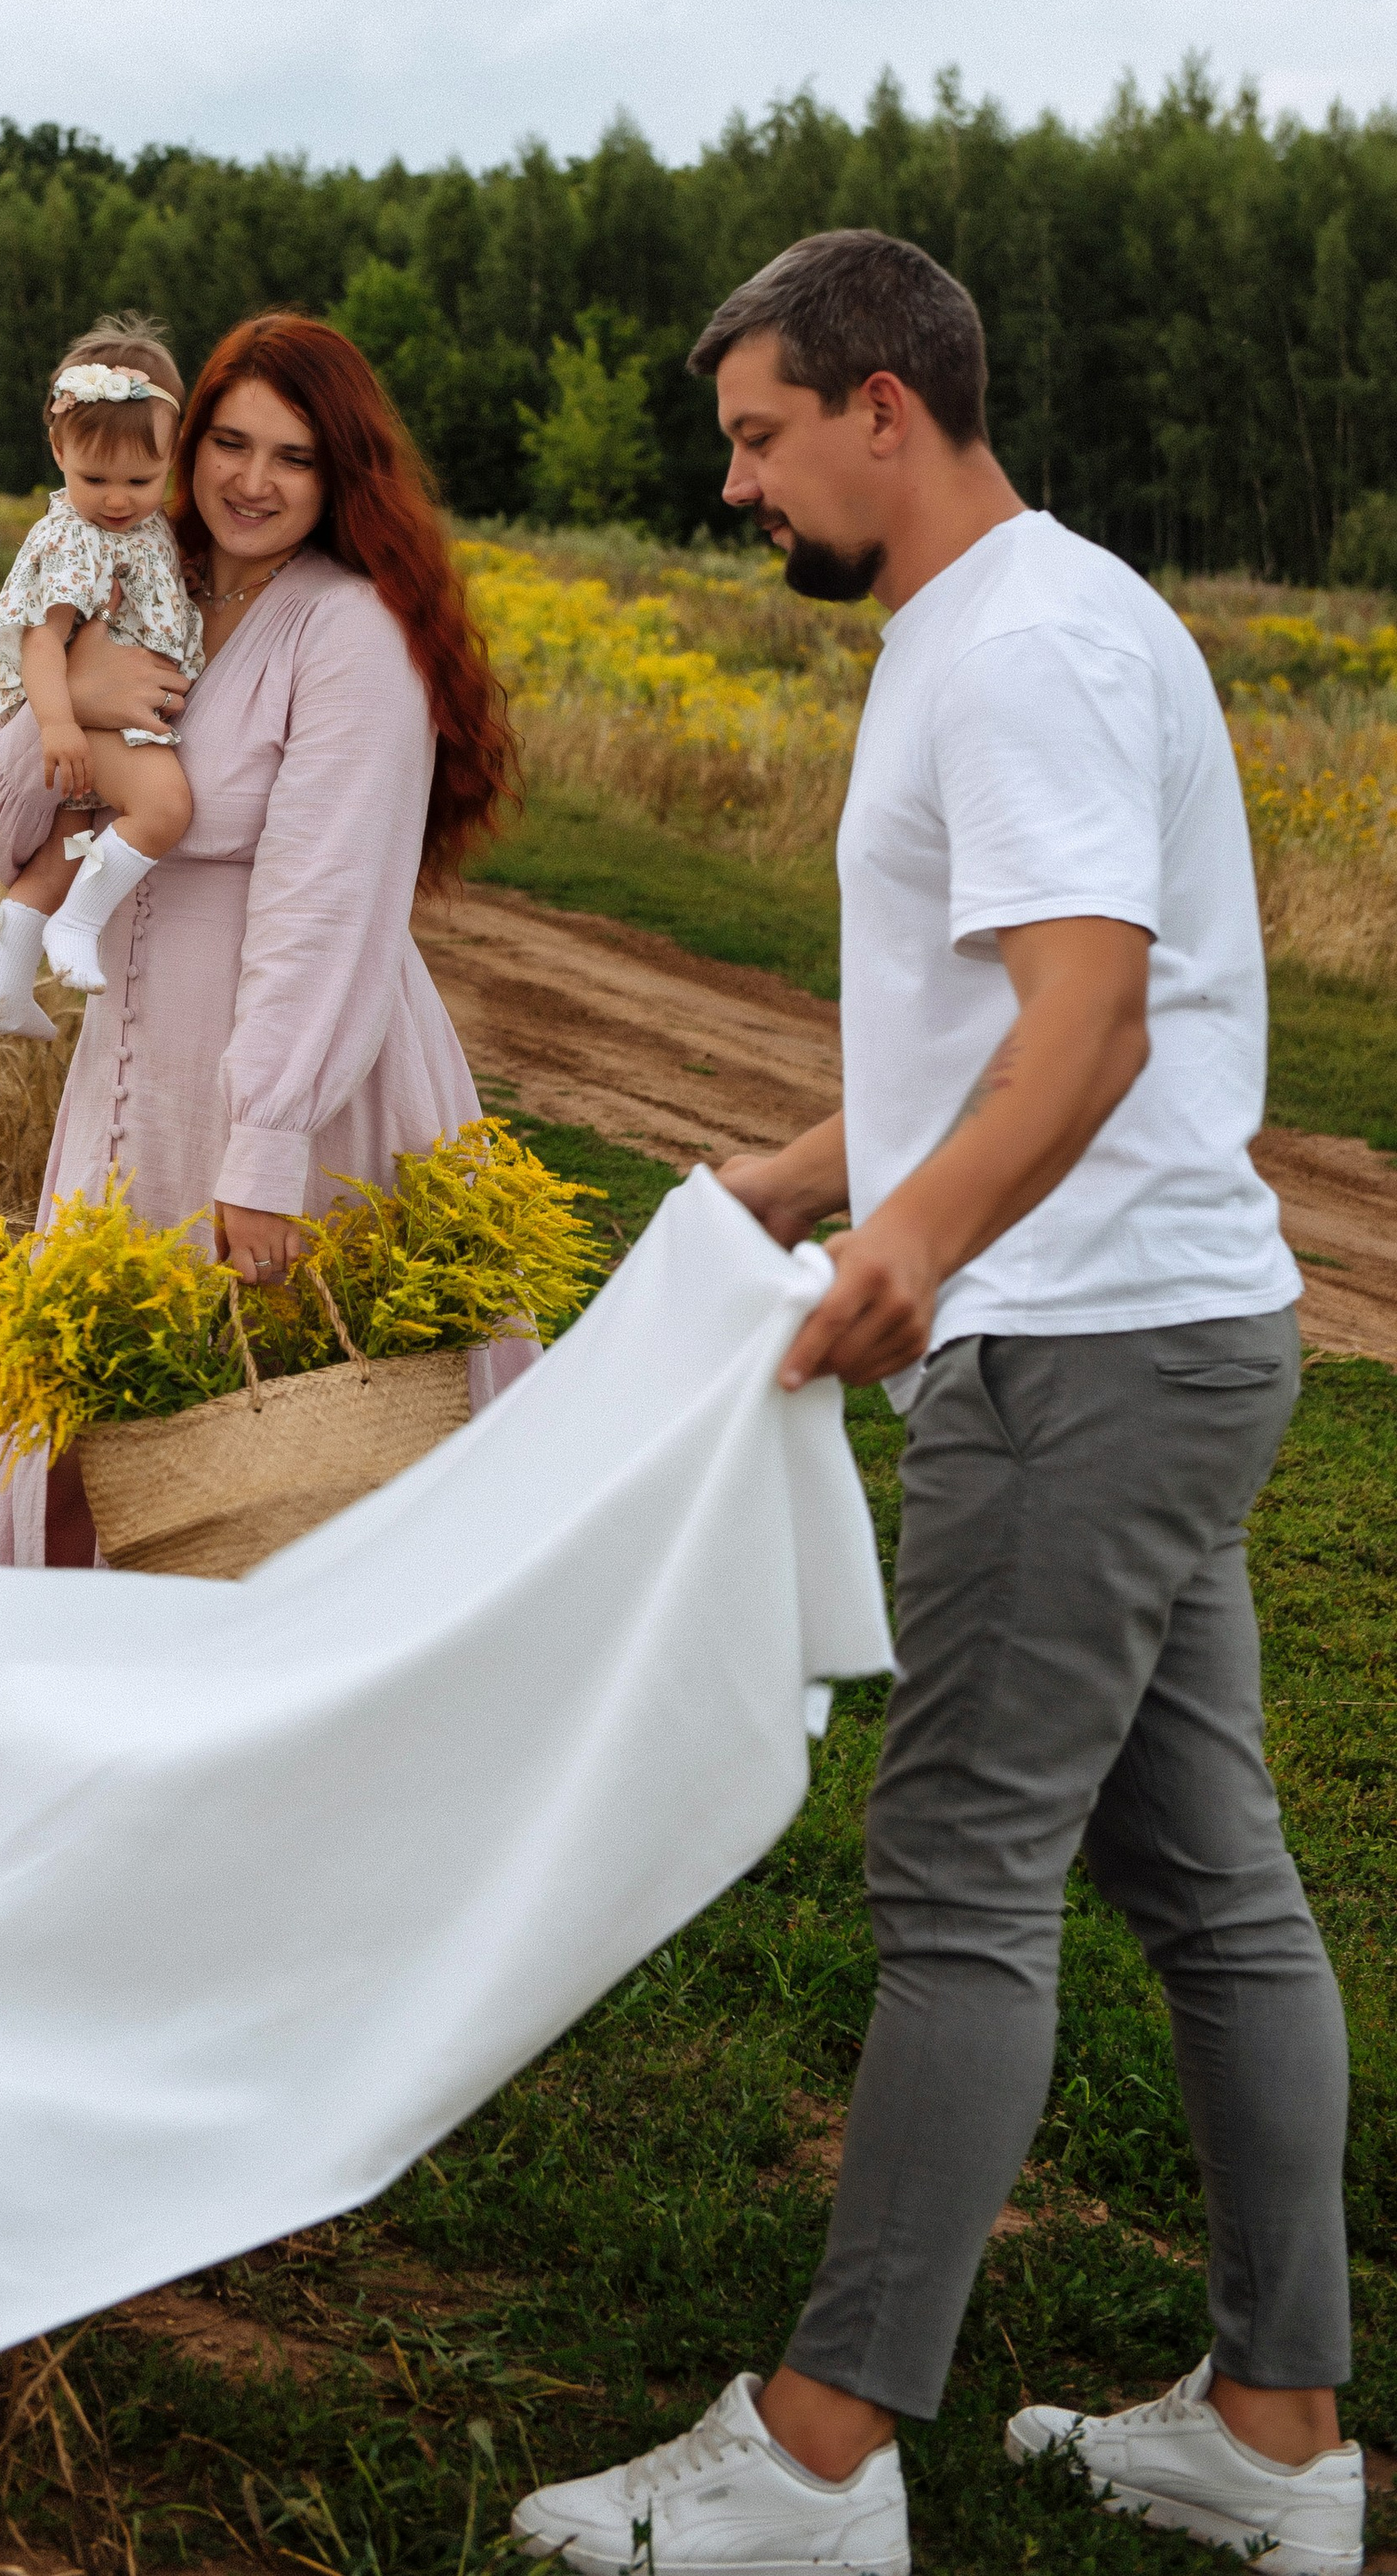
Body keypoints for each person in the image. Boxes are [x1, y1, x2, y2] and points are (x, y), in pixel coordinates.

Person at [512, 231, 1361, 2576]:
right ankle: (1280, 2431)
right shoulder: (1005, 629)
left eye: (760, 436)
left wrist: (916, 1245)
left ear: (888, 408)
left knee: (961, 1880)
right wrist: (783, 1182)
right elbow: (1001, 1033)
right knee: (1211, 1884)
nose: (739, 486)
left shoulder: (1028, 646)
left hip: (1085, 1355)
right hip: (1165, 1331)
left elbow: (1084, 1018)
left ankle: (815, 2456)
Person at [0, 309, 519, 1571]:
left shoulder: (350, 630)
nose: (252, 480)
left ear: (342, 472)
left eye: (294, 456)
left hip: (301, 1095)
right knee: (102, 1456)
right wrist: (72, 694)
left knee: (300, 1470)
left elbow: (327, 902)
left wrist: (267, 1143)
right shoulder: (135, 585)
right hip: (134, 1086)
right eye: (231, 443)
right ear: (184, 443)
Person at [0, 326, 208, 1036]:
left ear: (172, 459)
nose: (115, 498)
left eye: (141, 480)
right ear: (58, 452)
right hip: (78, 717)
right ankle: (77, 924)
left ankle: (6, 992)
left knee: (64, 850)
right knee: (164, 806)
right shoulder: (75, 535)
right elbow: (44, 643)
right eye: (94, 478)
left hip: (98, 715)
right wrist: (59, 724)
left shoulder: (145, 527)